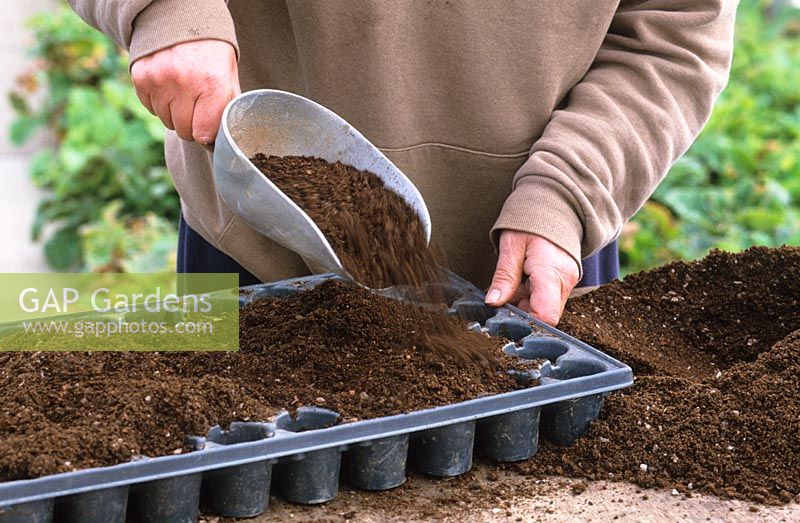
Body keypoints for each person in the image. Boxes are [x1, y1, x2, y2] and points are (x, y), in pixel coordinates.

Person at [68, 0, 736, 326]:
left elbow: (677, 27)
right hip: (260, 241)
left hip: (541, 270)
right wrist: (165, 12)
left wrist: (566, 192)